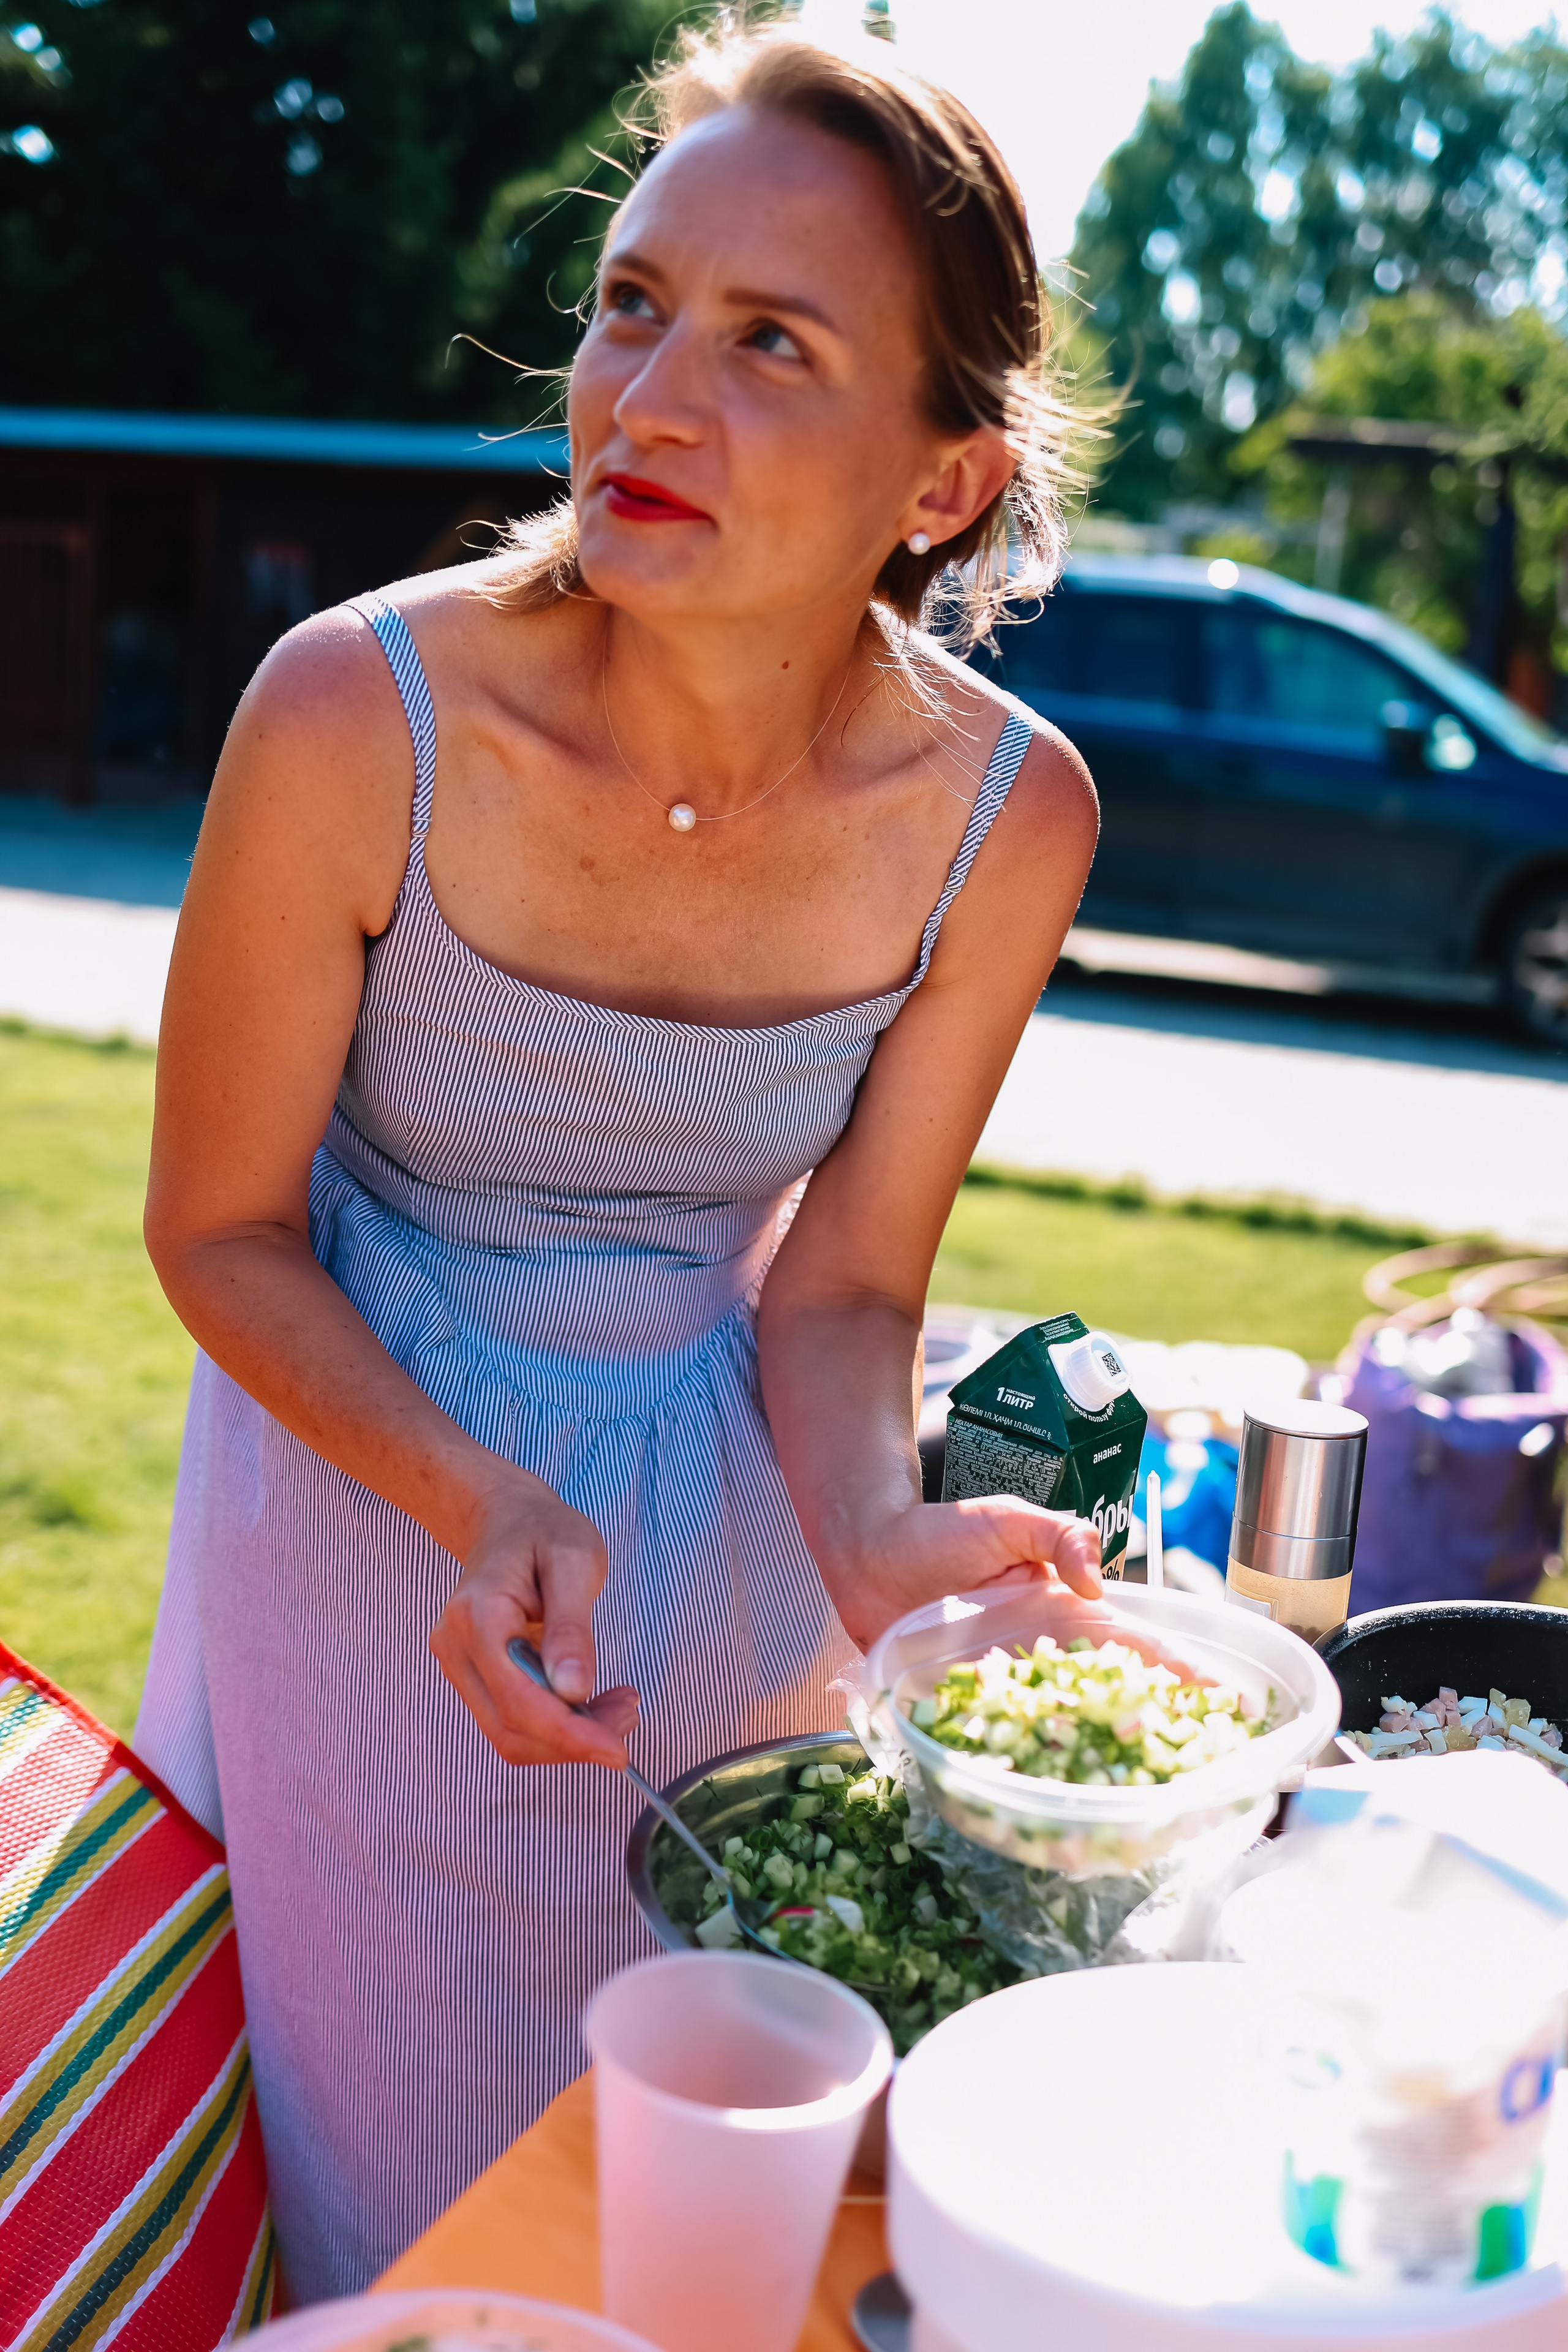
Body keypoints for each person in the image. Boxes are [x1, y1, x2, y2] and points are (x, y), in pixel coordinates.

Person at [136, 19, 1103, 2300]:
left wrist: (876, 1541)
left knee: (705, 2227)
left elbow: (851, 1288)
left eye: (772, 342)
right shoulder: (351, 711)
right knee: (400, 2223)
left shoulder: (1007, 813)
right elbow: (217, 1226)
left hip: (729, 1531)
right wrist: (475, 1499)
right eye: (636, 303)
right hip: (376, 1508)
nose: (647, 396)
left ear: (940, 482)